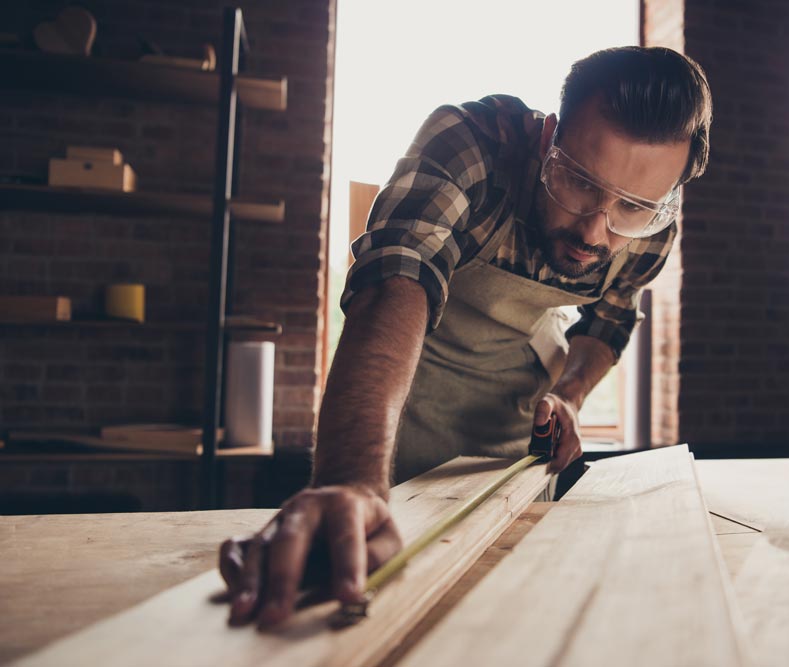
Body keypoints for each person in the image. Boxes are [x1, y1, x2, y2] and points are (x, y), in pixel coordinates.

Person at [219, 45, 712, 628]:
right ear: (549, 137)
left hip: (511, 455)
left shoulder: (653, 225)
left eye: (630, 207)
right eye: (580, 183)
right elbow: (394, 282)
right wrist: (350, 481)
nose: (594, 228)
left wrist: (572, 398)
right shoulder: (472, 143)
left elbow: (610, 318)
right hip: (394, 423)